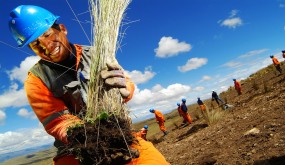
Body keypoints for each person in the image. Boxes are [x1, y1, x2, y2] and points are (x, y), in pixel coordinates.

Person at [8, 5, 170, 165]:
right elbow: (56, 121)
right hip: (75, 149)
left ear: (62, 29)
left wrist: (124, 89)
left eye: (47, 34)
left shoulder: (97, 54)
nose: (46, 46)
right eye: (35, 44)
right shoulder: (36, 79)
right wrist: (86, 136)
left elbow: (125, 85)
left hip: (119, 135)